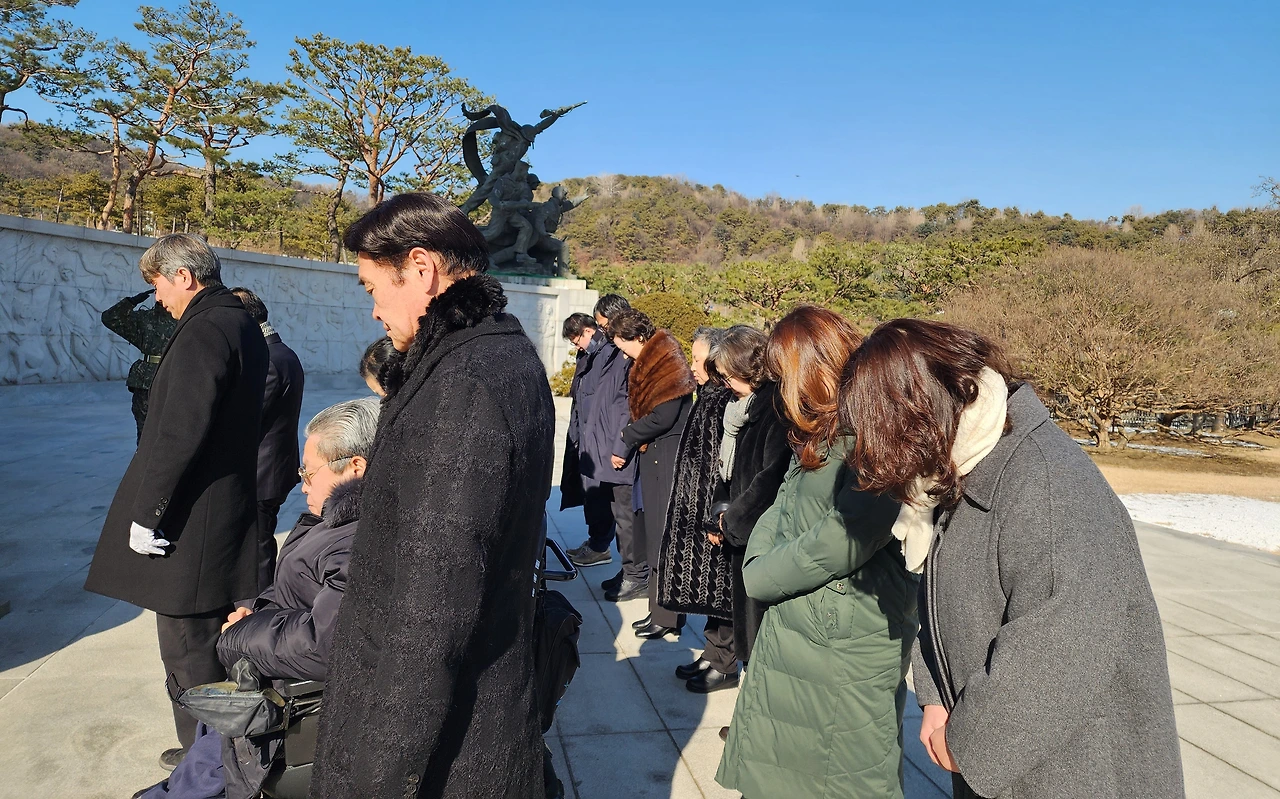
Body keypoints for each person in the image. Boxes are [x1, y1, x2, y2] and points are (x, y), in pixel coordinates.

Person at [839, 318, 1185, 799]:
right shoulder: (967, 462)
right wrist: (936, 695)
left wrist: (968, 742)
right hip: (1016, 761)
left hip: (1074, 768)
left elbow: (1059, 652)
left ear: (919, 413)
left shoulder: (1046, 485)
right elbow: (940, 597)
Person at [310, 193, 555, 799]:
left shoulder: (463, 384)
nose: (373, 310)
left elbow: (432, 604)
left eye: (373, 288)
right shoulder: (497, 352)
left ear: (421, 268)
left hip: (445, 740)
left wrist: (380, 774)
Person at [130, 397, 378, 799]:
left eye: (309, 472)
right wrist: (258, 611)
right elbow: (295, 589)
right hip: (268, 682)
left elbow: (325, 643)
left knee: (200, 776)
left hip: (284, 711)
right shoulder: (334, 521)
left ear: (355, 467)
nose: (302, 483)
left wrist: (242, 634)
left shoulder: (354, 541)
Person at [716, 306, 917, 799]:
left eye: (782, 377)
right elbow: (780, 509)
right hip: (803, 631)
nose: (777, 391)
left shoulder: (876, 434)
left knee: (843, 778)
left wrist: (760, 573)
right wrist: (761, 559)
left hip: (841, 644)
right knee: (781, 771)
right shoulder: (820, 435)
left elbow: (842, 537)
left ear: (811, 373)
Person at [84, 234, 268, 770]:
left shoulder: (204, 328)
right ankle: (214, 755)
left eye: (158, 284)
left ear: (183, 276)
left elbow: (178, 431)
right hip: (219, 510)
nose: (159, 298)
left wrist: (148, 514)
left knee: (189, 649)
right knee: (204, 644)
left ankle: (204, 764)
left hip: (191, 520)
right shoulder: (238, 323)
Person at [694, 325, 792, 699]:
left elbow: (769, 478)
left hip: (761, 535)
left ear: (750, 370)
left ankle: (755, 707)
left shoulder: (775, 410)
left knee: (760, 629)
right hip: (741, 529)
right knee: (745, 624)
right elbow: (729, 470)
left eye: (729, 376)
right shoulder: (742, 408)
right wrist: (719, 513)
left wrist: (733, 520)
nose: (725, 384)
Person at [609, 308, 696, 640]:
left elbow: (663, 416)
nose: (622, 353)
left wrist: (627, 436)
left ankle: (668, 616)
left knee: (664, 539)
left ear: (638, 337)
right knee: (655, 536)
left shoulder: (665, 361)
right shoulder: (652, 358)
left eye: (622, 345)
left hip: (666, 457)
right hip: (655, 457)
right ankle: (660, 611)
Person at [656, 327, 736, 683]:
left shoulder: (726, 400)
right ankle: (712, 653)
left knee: (722, 588)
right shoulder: (707, 395)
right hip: (697, 506)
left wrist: (716, 513)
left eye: (697, 359)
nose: (692, 366)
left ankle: (724, 663)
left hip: (715, 509)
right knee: (709, 589)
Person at [567, 294, 647, 605]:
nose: (601, 331)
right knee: (615, 511)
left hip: (620, 448)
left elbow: (630, 407)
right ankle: (628, 570)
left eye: (603, 325)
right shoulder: (611, 351)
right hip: (604, 445)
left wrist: (620, 446)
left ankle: (637, 575)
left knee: (627, 516)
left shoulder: (631, 354)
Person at [230, 287, 305, 594]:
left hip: (263, 474)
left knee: (257, 549)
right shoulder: (281, 353)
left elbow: (246, 418)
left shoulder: (270, 360)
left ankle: (261, 605)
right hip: (269, 470)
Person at [100, 288, 176, 441]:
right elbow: (109, 317)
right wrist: (131, 302)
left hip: (174, 378)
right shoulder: (145, 318)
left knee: (172, 431)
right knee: (145, 432)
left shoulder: (185, 318)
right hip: (145, 381)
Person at [558, 312, 600, 512]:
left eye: (576, 342)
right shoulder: (585, 355)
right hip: (582, 431)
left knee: (597, 496)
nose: (577, 347)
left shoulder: (603, 354)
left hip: (596, 435)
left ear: (588, 331)